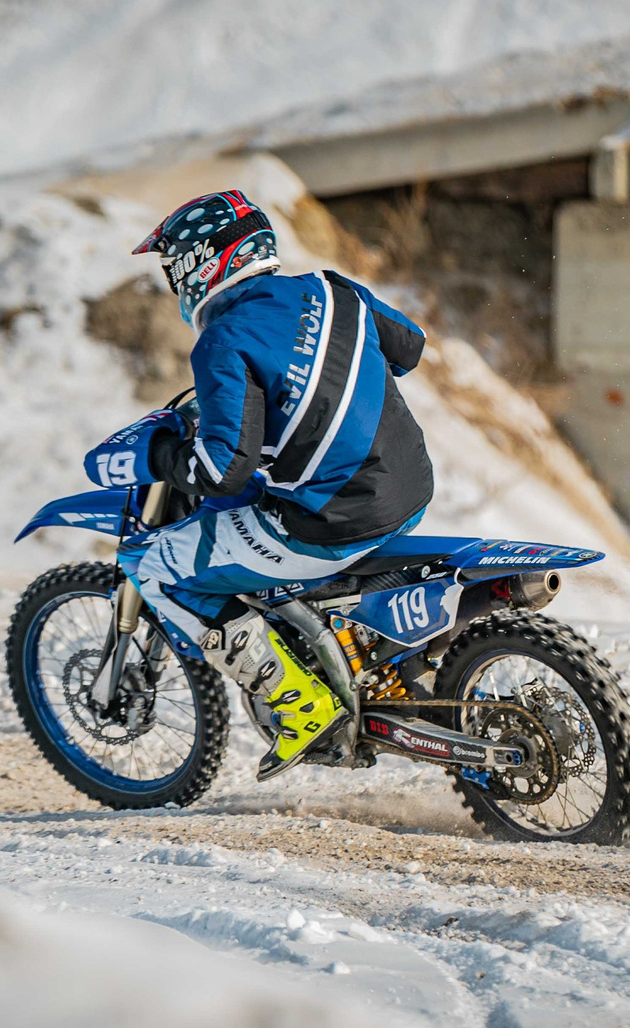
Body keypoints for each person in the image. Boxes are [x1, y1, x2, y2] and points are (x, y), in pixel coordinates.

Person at [80, 190, 433, 780]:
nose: (174, 284)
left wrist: (158, 455)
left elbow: (222, 473)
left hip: (335, 520)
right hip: (411, 489)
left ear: (200, 265)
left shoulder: (223, 340)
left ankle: (303, 706)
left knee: (161, 566)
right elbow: (410, 347)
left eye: (174, 269)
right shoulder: (331, 290)